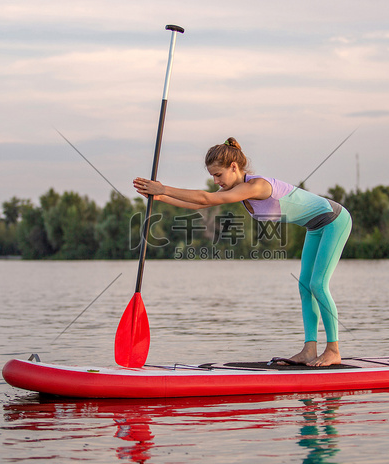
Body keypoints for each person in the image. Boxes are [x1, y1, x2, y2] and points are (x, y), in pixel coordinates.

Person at [133, 137, 352, 366]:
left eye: (218, 174)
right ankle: (309, 350)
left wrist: (164, 187)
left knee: (318, 284)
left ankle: (333, 350)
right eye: (212, 176)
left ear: (234, 167)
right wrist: (162, 197)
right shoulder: (241, 191)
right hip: (315, 227)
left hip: (334, 220)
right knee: (305, 286)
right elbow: (202, 204)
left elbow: (206, 197)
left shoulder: (256, 186)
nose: (216, 181)